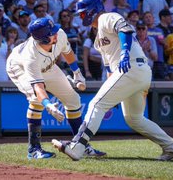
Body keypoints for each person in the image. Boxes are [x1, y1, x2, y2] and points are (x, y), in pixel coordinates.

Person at [52, 0, 173, 161]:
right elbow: (109, 68)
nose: (82, 17)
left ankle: (77, 147)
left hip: (131, 67)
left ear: (93, 10)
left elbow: (125, 29)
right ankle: (172, 147)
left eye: (83, 13)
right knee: (134, 118)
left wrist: (124, 52)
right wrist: (111, 90)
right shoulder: (98, 38)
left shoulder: (107, 17)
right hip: (134, 72)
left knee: (96, 104)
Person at [6, 17, 106, 160]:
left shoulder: (60, 33)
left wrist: (76, 72)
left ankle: (80, 145)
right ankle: (33, 150)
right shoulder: (31, 57)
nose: (57, 33)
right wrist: (48, 105)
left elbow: (67, 51)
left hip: (48, 65)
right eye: (52, 32)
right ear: (44, 39)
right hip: (18, 67)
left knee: (73, 99)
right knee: (36, 100)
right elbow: (38, 87)